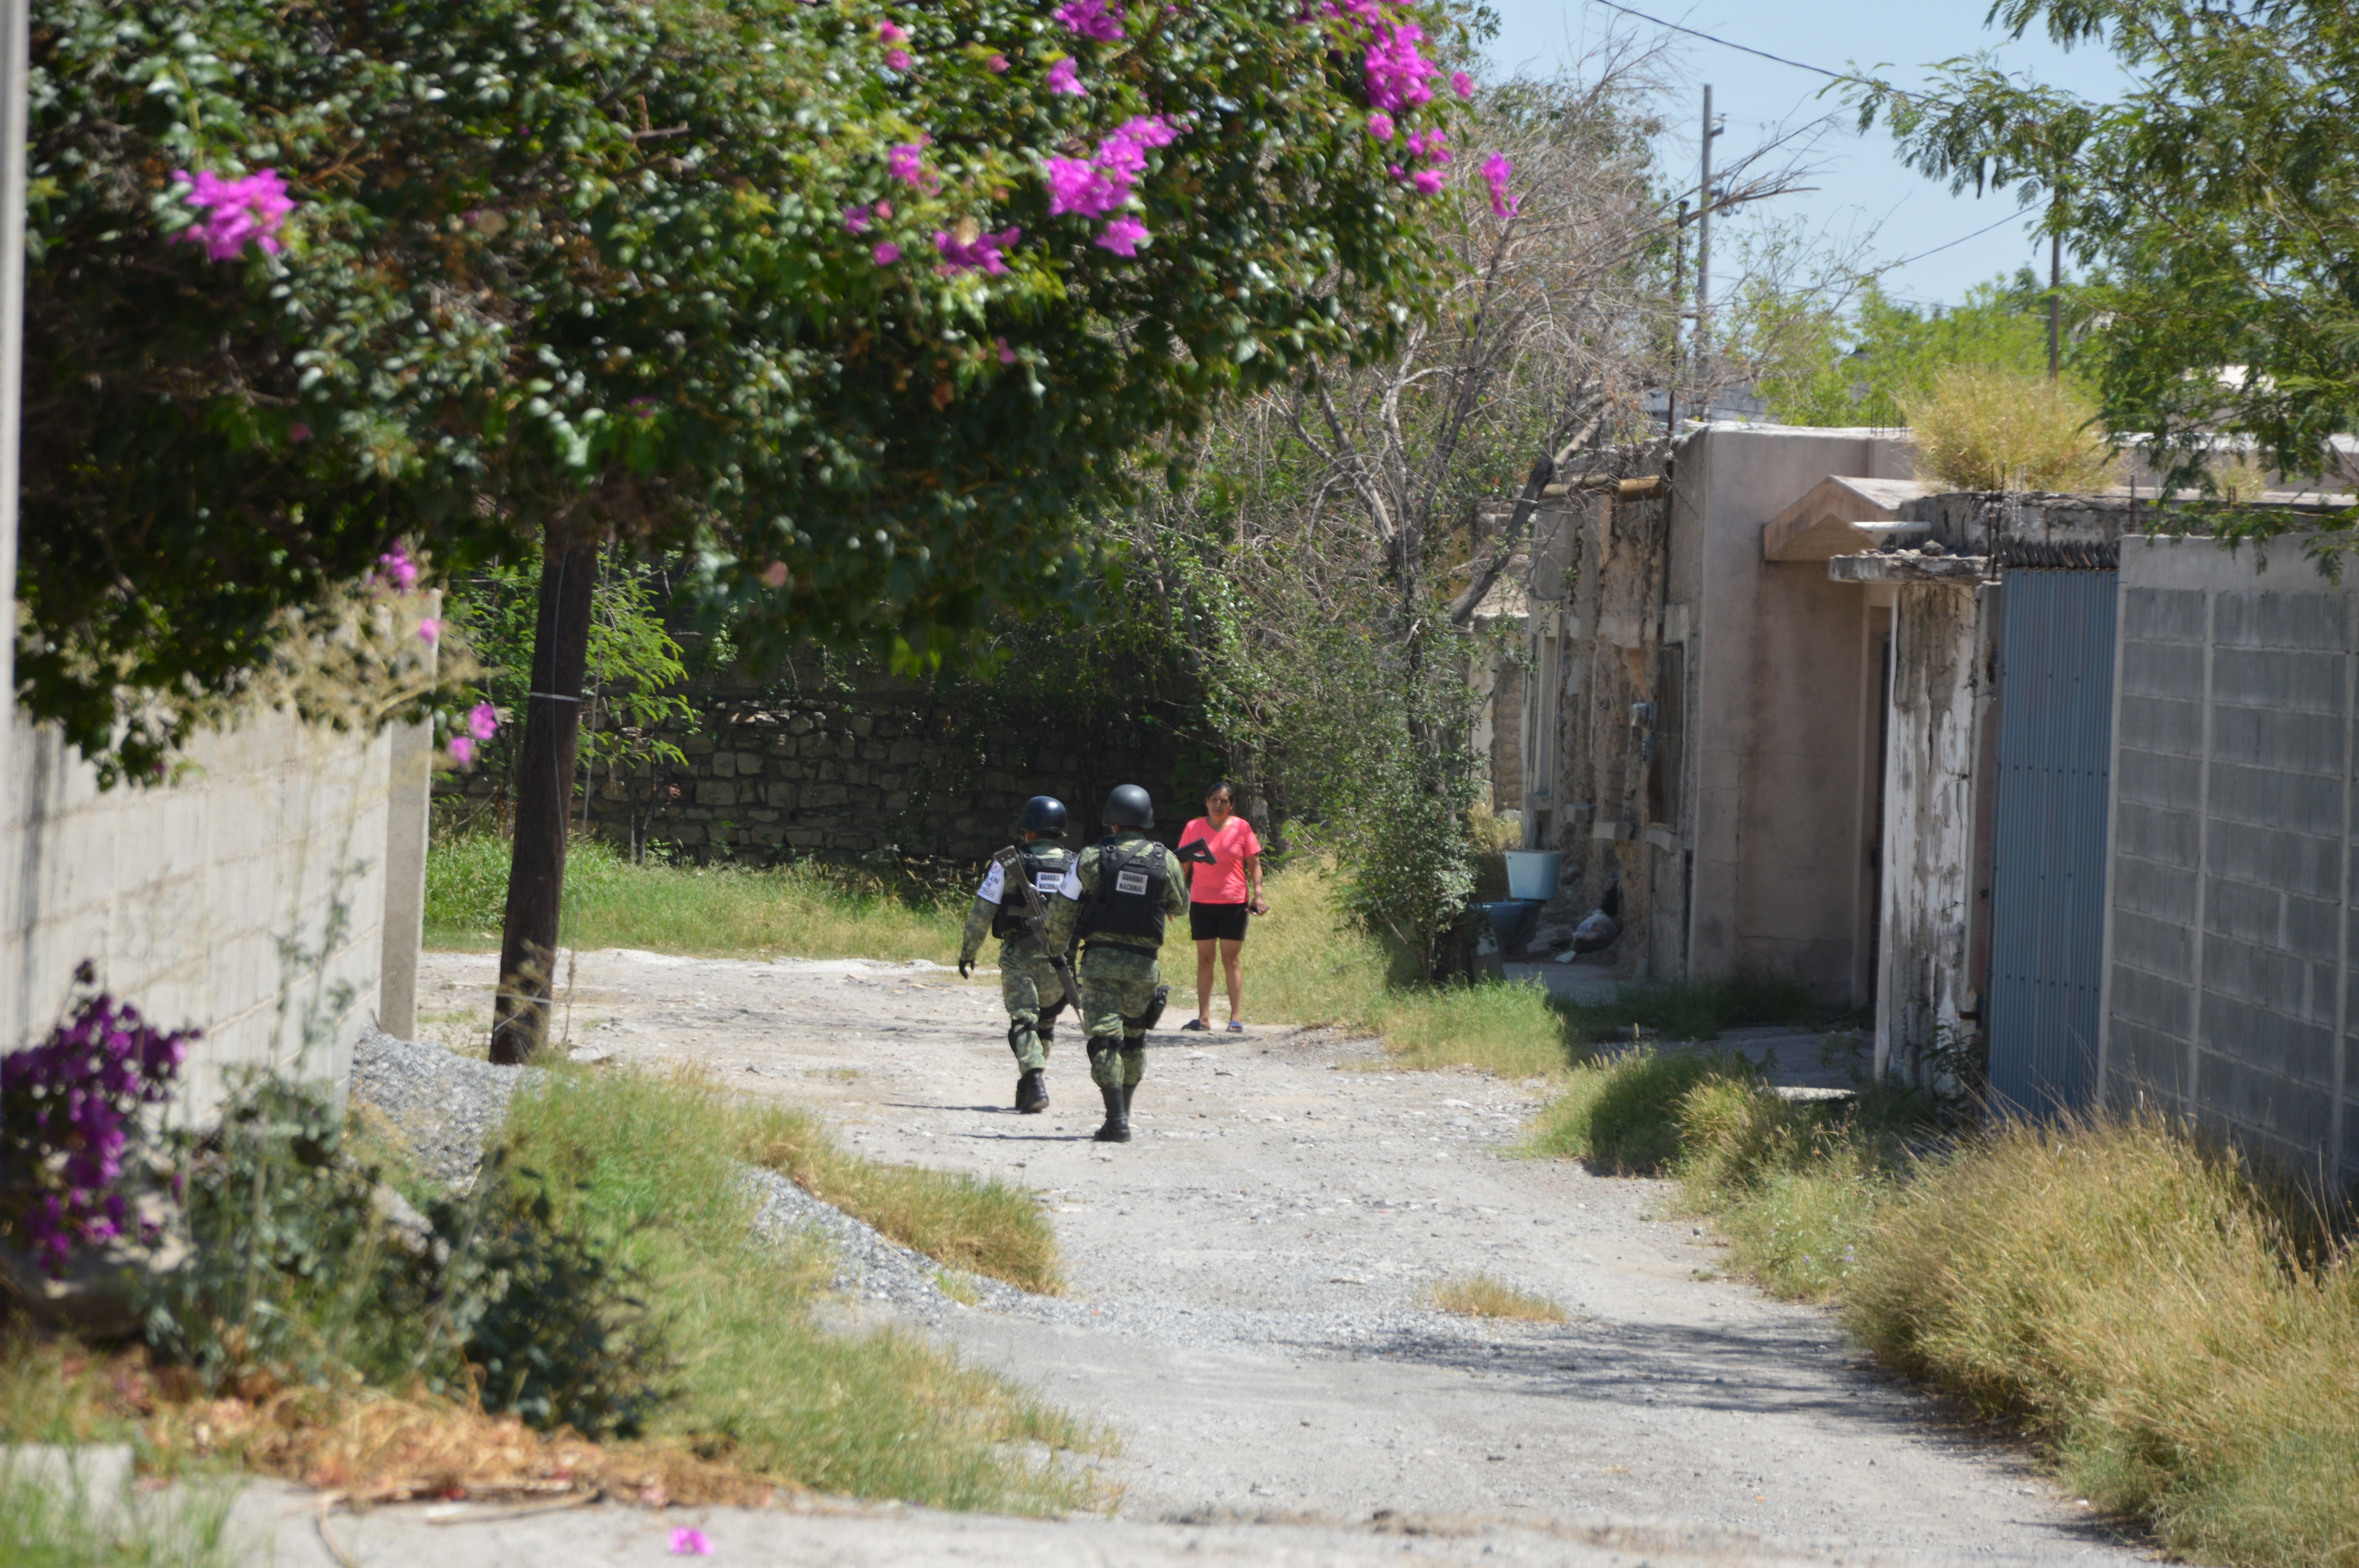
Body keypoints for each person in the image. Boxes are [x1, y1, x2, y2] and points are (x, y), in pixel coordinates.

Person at [1042, 784, 1189, 1143]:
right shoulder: (1165, 858)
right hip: (1144, 966)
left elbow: (1062, 909)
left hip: (1101, 965)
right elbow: (1181, 906)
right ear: (1146, 820)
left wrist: (1056, 951)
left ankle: (1116, 1119)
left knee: (1106, 1041)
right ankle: (1125, 1110)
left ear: (1112, 821)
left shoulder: (1091, 857)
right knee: (1135, 1040)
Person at [957, 796, 1078, 1114]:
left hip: (1020, 956)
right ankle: (1028, 1087)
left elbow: (983, 911)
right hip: (1060, 959)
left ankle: (1035, 1080)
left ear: (1029, 832)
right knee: (1047, 1022)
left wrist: (969, 951)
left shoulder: (1009, 862)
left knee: (1024, 1019)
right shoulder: (1075, 863)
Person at [1177, 780, 1268, 1033]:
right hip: (1201, 902)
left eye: (1224, 801)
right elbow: (1183, 865)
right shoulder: (1193, 828)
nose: (1218, 805)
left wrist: (1258, 896)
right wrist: (1174, 898)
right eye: (1214, 800)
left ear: (1232, 805)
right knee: (1205, 960)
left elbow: (1255, 864)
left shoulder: (1242, 828)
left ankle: (1236, 1018)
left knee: (1233, 961)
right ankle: (1204, 1017)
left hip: (1234, 903)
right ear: (1206, 802)